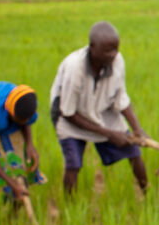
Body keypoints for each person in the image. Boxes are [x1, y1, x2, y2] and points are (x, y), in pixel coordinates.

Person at [50, 21, 148, 194]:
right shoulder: (75, 69)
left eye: (116, 49)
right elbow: (68, 112)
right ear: (92, 47)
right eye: (108, 50)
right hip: (70, 115)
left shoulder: (117, 61)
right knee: (73, 164)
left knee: (133, 150)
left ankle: (148, 194)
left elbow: (121, 99)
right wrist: (109, 134)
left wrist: (137, 129)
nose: (113, 55)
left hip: (102, 108)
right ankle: (70, 208)